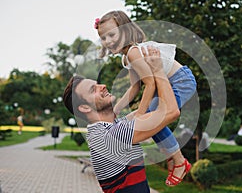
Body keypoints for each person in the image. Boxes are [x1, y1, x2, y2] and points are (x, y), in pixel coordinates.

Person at [63, 47, 191, 192]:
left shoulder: (107, 129)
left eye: (98, 84)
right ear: (85, 108)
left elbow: (150, 112)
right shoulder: (110, 137)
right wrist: (158, 71)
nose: (103, 86)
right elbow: (170, 112)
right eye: (94, 90)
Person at [94, 10, 197, 186]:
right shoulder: (127, 57)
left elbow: (150, 84)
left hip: (181, 81)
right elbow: (135, 87)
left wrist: (141, 115)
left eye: (112, 34)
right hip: (166, 84)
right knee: (149, 116)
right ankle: (172, 156)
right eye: (103, 38)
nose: (108, 41)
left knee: (153, 116)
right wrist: (116, 110)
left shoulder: (134, 52)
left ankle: (179, 161)